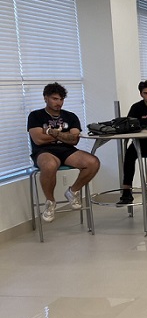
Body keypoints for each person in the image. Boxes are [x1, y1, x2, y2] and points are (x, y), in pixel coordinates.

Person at [27, 82, 101, 222]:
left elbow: (74, 140)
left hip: (66, 150)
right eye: (55, 99)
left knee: (93, 162)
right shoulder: (35, 116)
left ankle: (73, 191)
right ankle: (50, 202)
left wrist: (51, 132)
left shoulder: (70, 116)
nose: (59, 103)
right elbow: (38, 139)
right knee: (49, 165)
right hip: (43, 151)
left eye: (61, 99)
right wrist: (63, 135)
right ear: (46, 98)